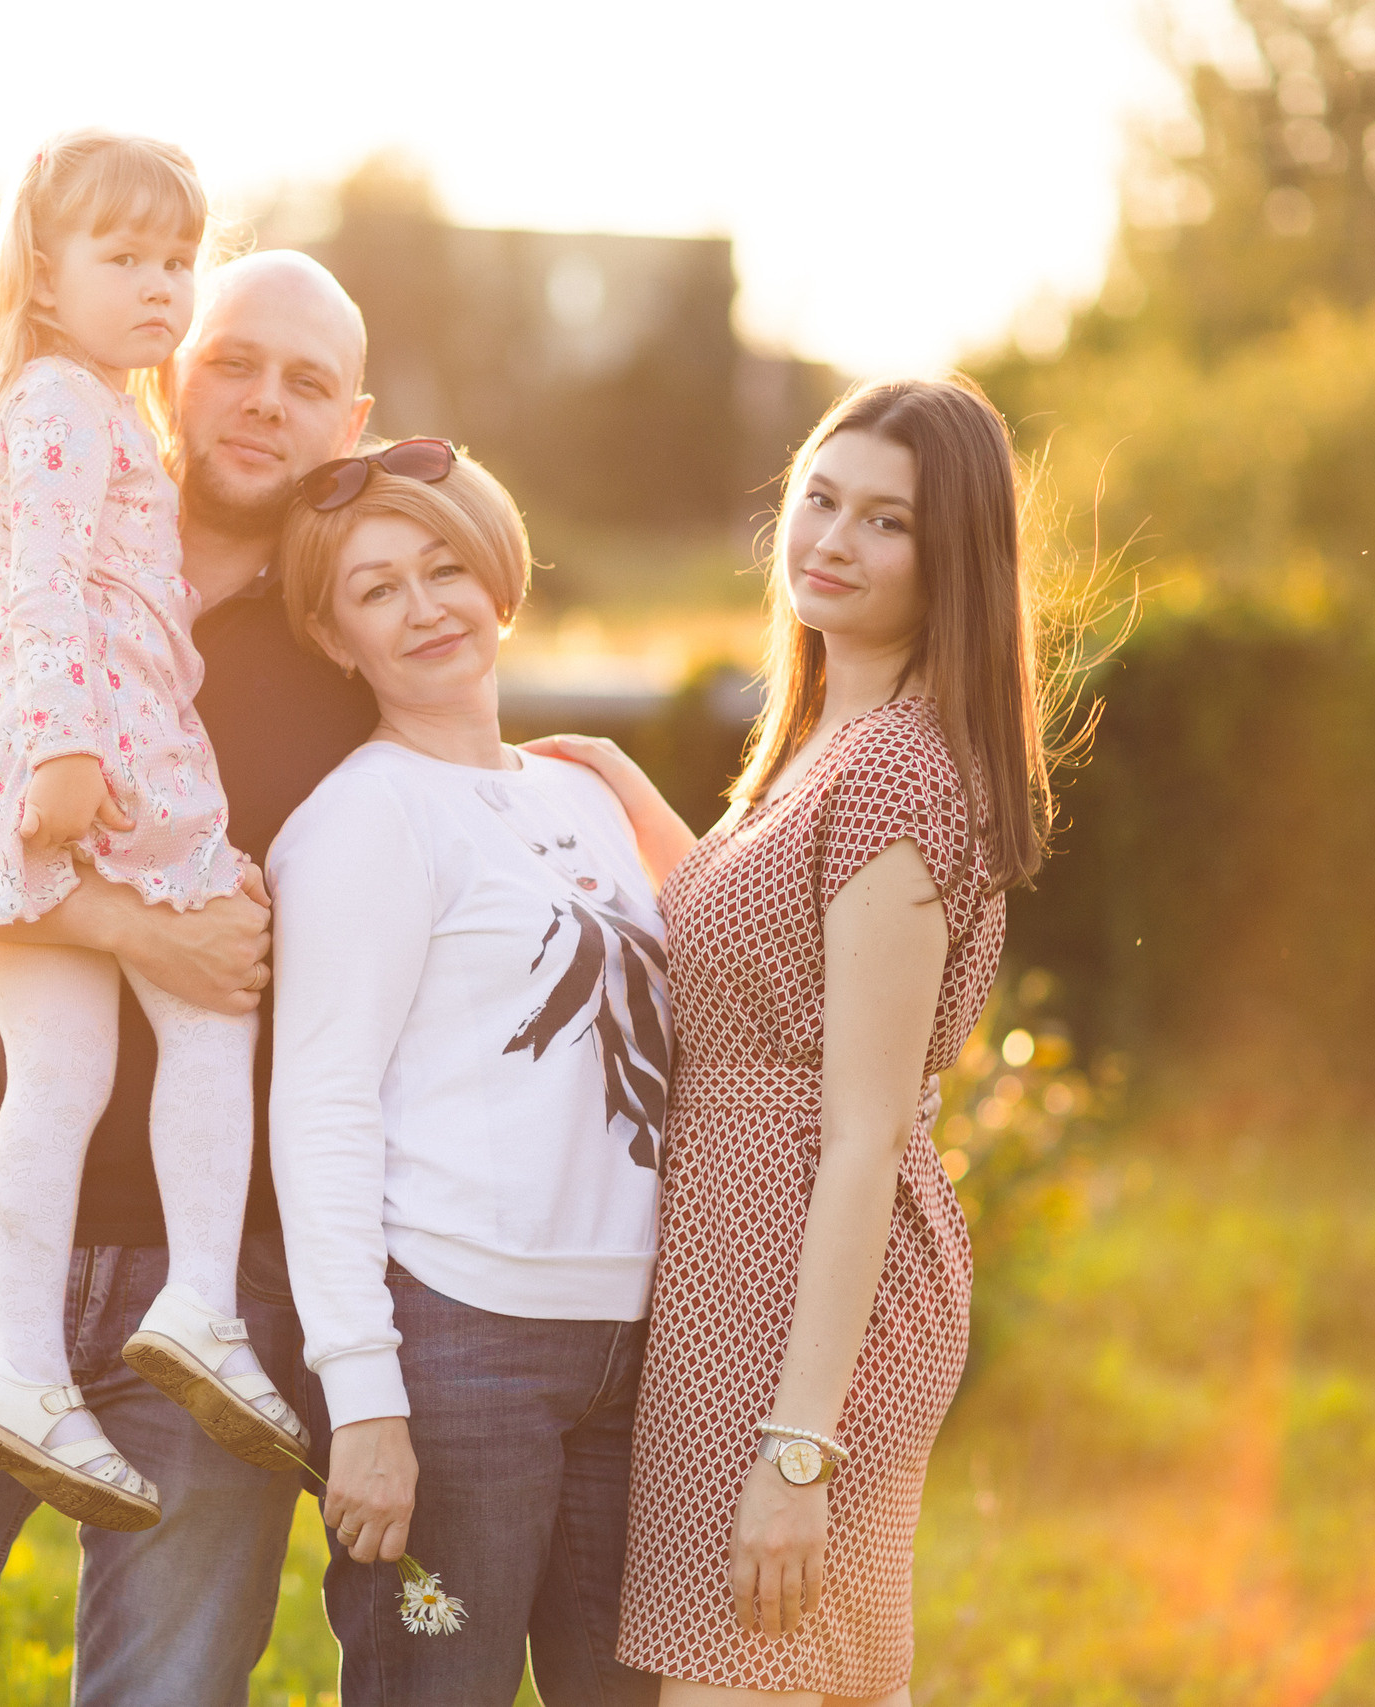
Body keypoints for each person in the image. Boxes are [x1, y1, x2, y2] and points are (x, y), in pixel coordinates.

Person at [0, 244, 377, 1704]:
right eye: (234, 360)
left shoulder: (354, 641)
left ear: (351, 419)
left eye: (306, 382)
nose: (262, 402)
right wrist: (137, 929)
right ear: (165, 360)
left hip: (216, 1274)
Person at [538, 376, 1050, 1705]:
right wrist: (624, 787)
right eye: (819, 498)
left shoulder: (893, 767)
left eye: (886, 521)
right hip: (742, 1272)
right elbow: (747, 940)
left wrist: (799, 1445)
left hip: (807, 1302)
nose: (831, 537)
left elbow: (864, 1126)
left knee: (753, 1671)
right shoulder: (825, 743)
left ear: (953, 563)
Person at [267, 442, 668, 1705]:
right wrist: (365, 1400)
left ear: (499, 580)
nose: (424, 605)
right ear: (336, 638)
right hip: (457, 1350)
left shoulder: (583, 792)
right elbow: (319, 1109)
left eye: (444, 567)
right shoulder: (361, 821)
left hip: (634, 1341)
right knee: (436, 1687)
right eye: (377, 590)